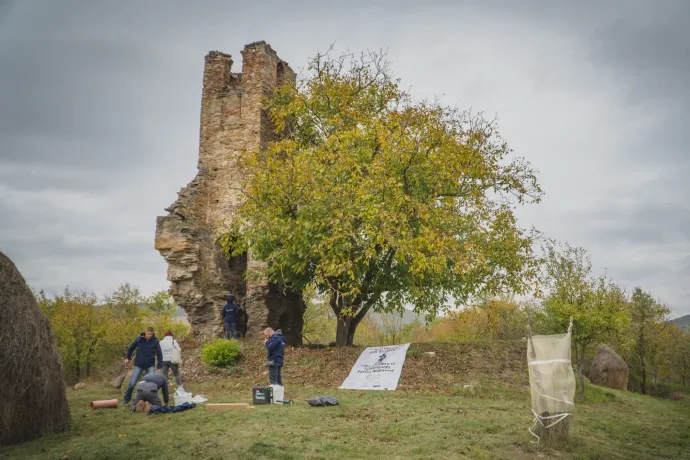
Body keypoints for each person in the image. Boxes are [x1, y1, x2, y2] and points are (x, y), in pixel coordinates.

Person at [122, 327, 163, 406]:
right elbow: (131, 348)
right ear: (145, 332)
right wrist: (127, 358)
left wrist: (159, 367)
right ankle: (126, 400)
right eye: (148, 334)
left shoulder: (155, 341)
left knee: (151, 385)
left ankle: (152, 402)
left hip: (150, 365)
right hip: (139, 365)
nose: (150, 336)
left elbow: (159, 355)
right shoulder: (139, 339)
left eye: (151, 334)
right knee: (132, 383)